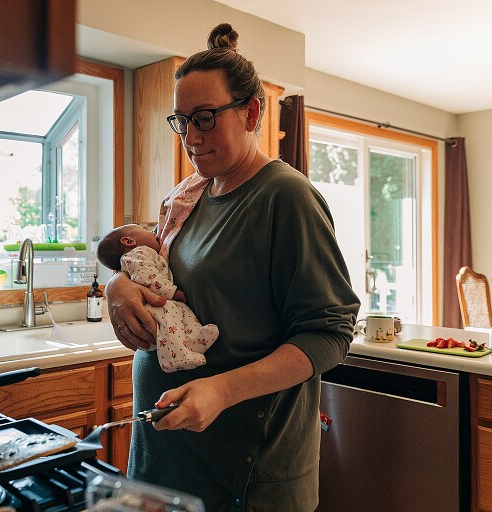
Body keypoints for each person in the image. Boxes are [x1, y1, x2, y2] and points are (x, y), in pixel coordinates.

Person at [105, 23, 360, 512]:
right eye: (181, 122)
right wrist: (120, 286)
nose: (191, 137)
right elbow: (156, 263)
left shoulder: (286, 198)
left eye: (204, 118)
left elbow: (329, 334)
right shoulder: (192, 194)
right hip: (167, 459)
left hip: (247, 473)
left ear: (252, 113)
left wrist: (223, 389)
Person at [96, 223, 219, 372]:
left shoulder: (143, 252)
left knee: (181, 314)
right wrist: (172, 292)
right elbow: (149, 278)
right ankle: (175, 357)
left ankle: (192, 340)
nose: (155, 233)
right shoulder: (138, 253)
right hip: (155, 304)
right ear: (129, 241)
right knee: (170, 321)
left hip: (162, 304)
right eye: (146, 230)